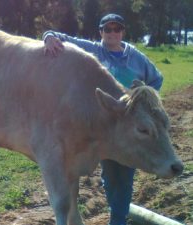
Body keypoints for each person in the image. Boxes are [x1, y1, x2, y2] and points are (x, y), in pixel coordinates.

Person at [42, 13, 163, 225]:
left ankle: (118, 217)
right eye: (108, 29)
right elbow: (62, 38)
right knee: (108, 173)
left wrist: (143, 98)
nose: (112, 33)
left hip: (129, 129)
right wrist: (48, 36)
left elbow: (156, 79)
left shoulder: (135, 58)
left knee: (125, 174)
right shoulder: (93, 50)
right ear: (101, 32)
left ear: (122, 32)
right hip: (103, 127)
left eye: (117, 29)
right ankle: (116, 209)